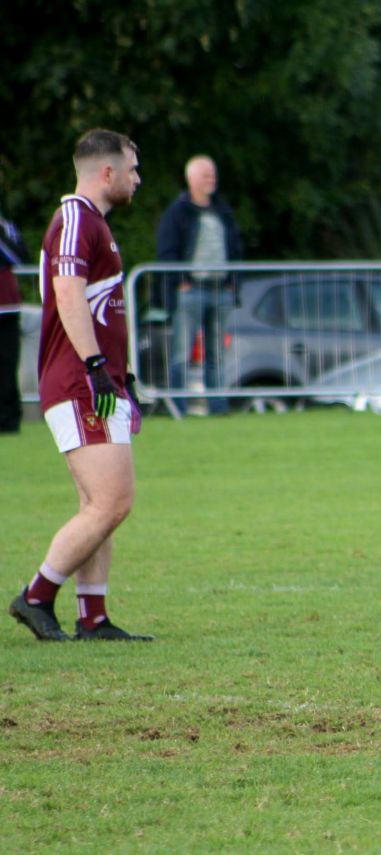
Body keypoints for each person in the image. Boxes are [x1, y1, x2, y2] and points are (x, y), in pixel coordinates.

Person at [8, 128, 153, 642]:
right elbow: (67, 292)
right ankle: (36, 595)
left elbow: (103, 306)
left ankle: (93, 617)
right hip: (78, 383)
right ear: (107, 172)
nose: (138, 178)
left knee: (98, 506)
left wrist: (123, 374)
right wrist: (94, 366)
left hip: (100, 382)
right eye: (133, 168)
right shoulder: (75, 219)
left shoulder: (96, 226)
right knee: (112, 502)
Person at [156, 154, 244, 415]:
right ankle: (177, 407)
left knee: (216, 353)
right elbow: (167, 250)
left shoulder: (223, 212)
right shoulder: (177, 213)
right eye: (206, 175)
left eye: (213, 175)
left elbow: (236, 248)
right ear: (191, 179)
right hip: (191, 290)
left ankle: (218, 407)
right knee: (181, 353)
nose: (211, 180)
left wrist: (232, 283)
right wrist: (180, 281)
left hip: (220, 290)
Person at [0, 208, 27, 434]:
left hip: (7, 308)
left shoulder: (5, 223)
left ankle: (9, 418)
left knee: (7, 365)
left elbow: (18, 256)